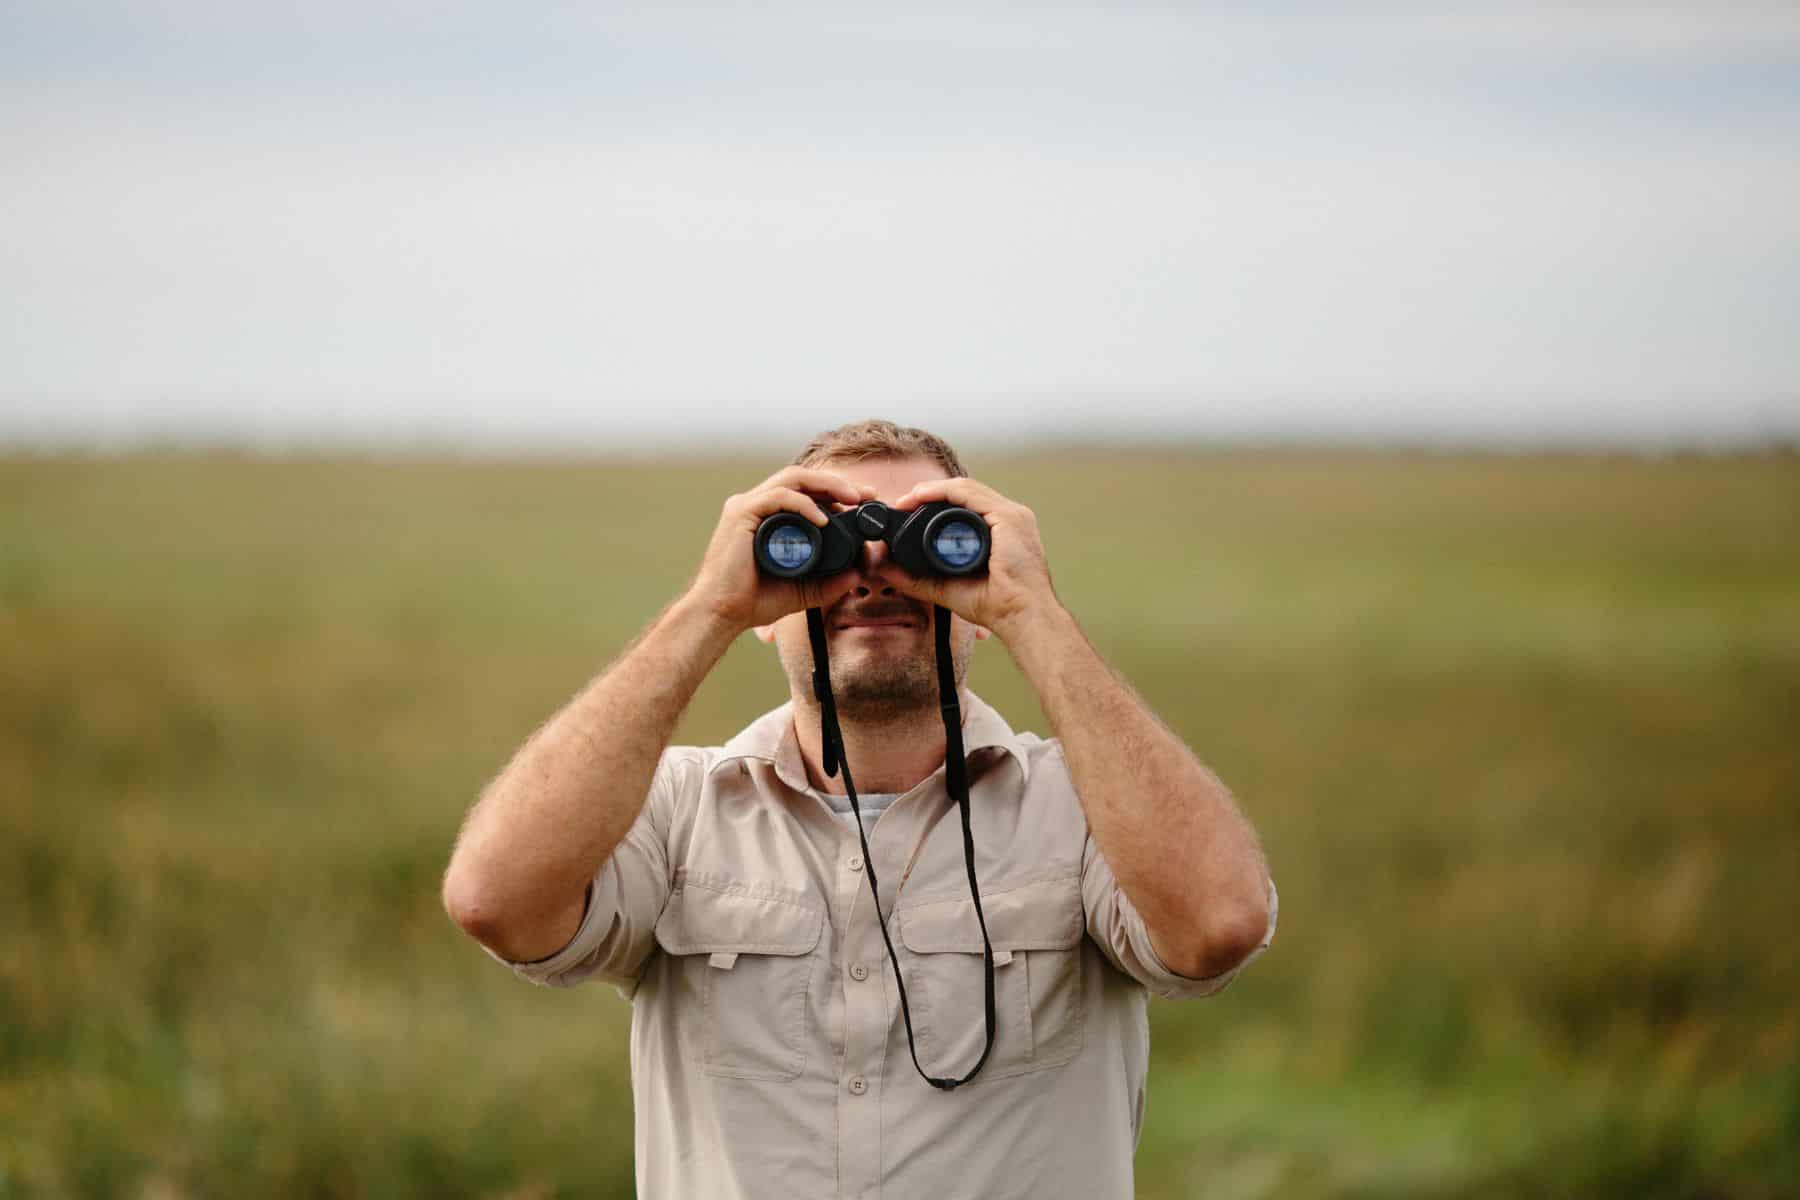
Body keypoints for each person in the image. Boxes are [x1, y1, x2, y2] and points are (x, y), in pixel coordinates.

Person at [442, 419, 1277, 1199]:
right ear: (770, 604)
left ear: (977, 598)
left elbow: (1217, 928)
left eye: (928, 539)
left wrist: (1034, 612)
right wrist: (708, 610)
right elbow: (496, 901)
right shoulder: (676, 810)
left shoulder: (1086, 809)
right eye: (829, 539)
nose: (874, 574)